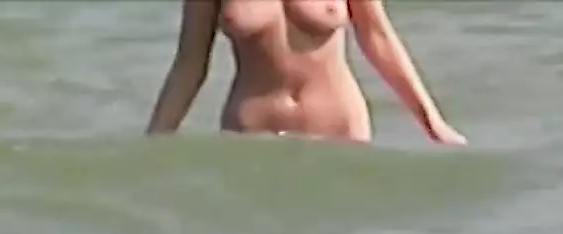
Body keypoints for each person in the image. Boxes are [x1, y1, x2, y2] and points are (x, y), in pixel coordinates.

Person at [144, 0, 467, 145]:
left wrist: (432, 123)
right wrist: (156, 139)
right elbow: (190, 65)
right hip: (253, 139)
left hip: (339, 128)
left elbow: (378, 39)